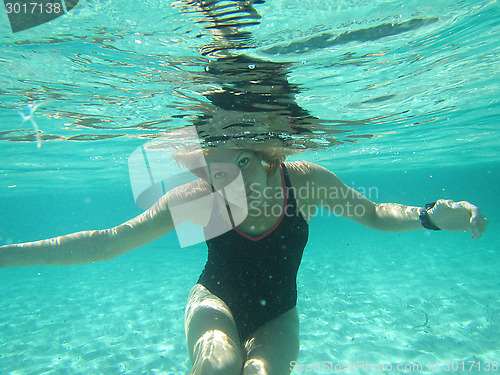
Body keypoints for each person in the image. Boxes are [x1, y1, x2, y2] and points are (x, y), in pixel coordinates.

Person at [0, 146, 488, 375]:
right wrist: (6, 256)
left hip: (278, 313)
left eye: (239, 165)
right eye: (214, 168)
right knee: (218, 369)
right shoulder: (203, 200)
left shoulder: (305, 182)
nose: (223, 182)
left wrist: (428, 216)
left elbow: (376, 214)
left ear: (272, 159)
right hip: (214, 300)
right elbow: (109, 242)